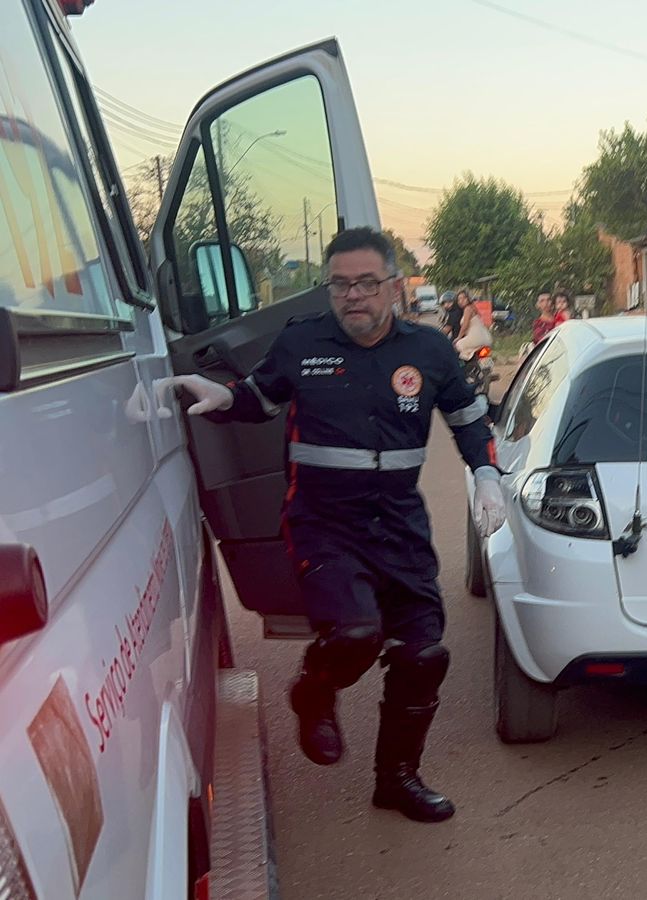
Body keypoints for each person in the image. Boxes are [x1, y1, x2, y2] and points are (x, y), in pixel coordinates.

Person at [156, 228, 505, 823]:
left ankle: (397, 779)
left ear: (394, 287)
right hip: (323, 521)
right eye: (340, 284)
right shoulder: (302, 342)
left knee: (423, 654)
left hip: (398, 521)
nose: (352, 296)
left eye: (366, 283)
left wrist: (488, 475)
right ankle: (312, 691)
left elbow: (469, 419)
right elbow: (258, 397)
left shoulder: (429, 351)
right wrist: (224, 398)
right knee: (355, 635)